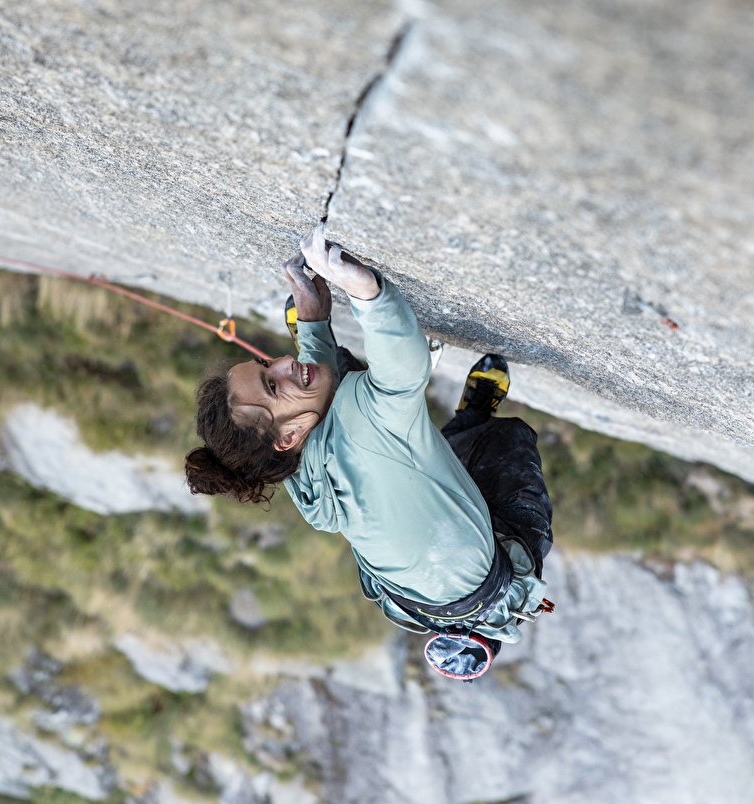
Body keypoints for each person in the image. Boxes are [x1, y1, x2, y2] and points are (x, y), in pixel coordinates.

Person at [185, 224, 553, 680]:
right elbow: (402, 368)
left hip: (412, 596)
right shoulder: (364, 420)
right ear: (285, 438)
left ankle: (444, 423)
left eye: (265, 365)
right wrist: (365, 290)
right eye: (272, 384)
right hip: (490, 569)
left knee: (374, 416)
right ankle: (475, 415)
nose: (280, 362)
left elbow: (324, 406)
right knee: (505, 444)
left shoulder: (292, 472)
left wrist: (315, 323)